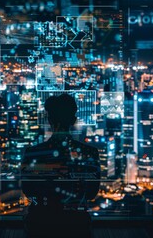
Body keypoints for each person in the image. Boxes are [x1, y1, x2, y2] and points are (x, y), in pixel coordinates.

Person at [21, 94, 100, 238]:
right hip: (76, 224)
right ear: (73, 120)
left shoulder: (32, 153)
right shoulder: (90, 152)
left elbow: (28, 191)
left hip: (40, 224)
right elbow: (91, 193)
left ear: (49, 120)